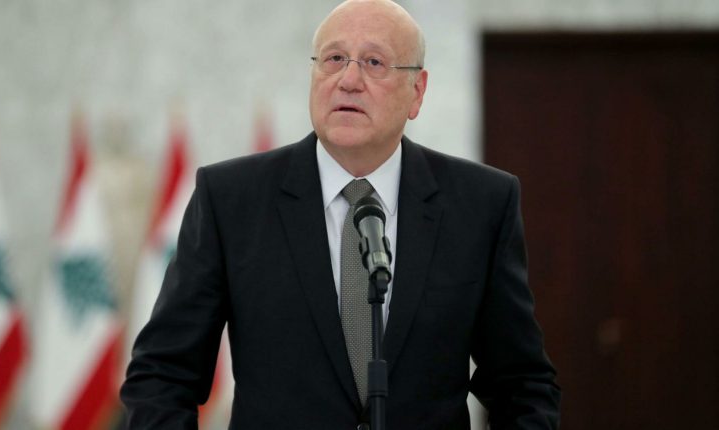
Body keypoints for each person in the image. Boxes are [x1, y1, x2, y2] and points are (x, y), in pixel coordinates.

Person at [120, 0, 561, 428]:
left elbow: (522, 387)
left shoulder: (481, 204)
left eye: (374, 62)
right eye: (333, 59)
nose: (348, 80)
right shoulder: (231, 199)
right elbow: (162, 376)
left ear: (417, 92)